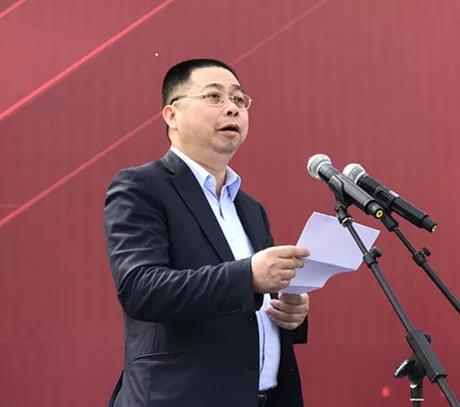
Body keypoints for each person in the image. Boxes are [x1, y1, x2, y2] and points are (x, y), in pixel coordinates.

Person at [104, 58, 310, 407]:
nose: (232, 108)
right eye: (214, 97)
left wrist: (290, 313)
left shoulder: (250, 208)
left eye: (239, 99)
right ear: (172, 115)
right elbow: (141, 288)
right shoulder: (141, 187)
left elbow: (249, 301)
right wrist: (248, 276)